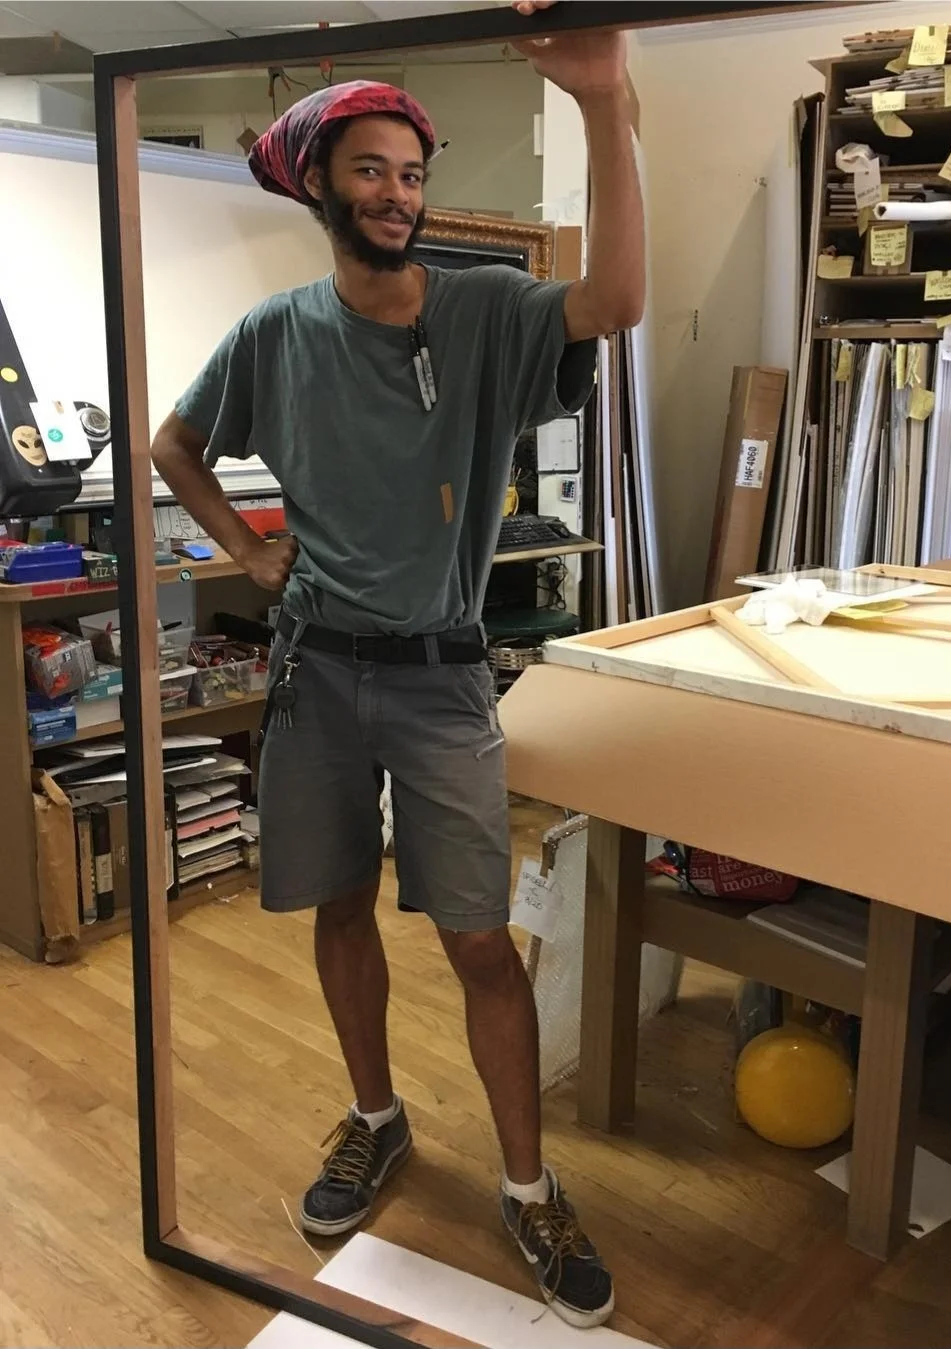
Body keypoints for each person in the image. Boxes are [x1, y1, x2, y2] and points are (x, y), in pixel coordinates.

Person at [150, 1, 643, 1330]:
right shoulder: (275, 331)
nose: (396, 193)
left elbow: (616, 300)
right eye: (370, 169)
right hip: (314, 672)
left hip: (441, 679)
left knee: (479, 939)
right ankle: (376, 1119)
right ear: (320, 183)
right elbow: (172, 445)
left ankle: (529, 1186)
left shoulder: (483, 312)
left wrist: (603, 99)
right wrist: (249, 555)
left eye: (413, 173)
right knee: (337, 907)